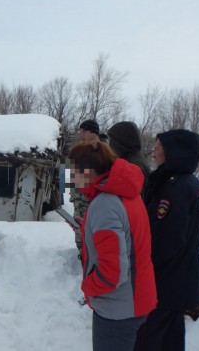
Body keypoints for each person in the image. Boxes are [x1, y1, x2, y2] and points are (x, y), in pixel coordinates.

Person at [68, 141, 156, 351]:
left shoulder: (105, 204)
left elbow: (112, 273)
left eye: (73, 173)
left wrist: (88, 287)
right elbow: (126, 236)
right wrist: (88, 227)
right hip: (136, 300)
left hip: (117, 309)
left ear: (87, 172)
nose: (71, 179)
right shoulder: (126, 194)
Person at [134, 129, 199, 351]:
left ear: (171, 152)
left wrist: (140, 266)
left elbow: (166, 239)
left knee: (148, 339)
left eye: (157, 148)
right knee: (172, 340)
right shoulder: (192, 183)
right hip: (180, 280)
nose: (154, 153)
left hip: (164, 284)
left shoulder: (174, 189)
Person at [69, 119, 101, 252]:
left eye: (82, 132)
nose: (80, 136)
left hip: (91, 203)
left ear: (89, 132)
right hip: (79, 201)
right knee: (80, 237)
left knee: (90, 239)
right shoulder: (83, 150)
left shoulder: (102, 151)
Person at [107, 121, 150, 194]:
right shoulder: (130, 159)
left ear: (121, 142)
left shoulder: (133, 165)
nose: (110, 145)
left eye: (112, 140)